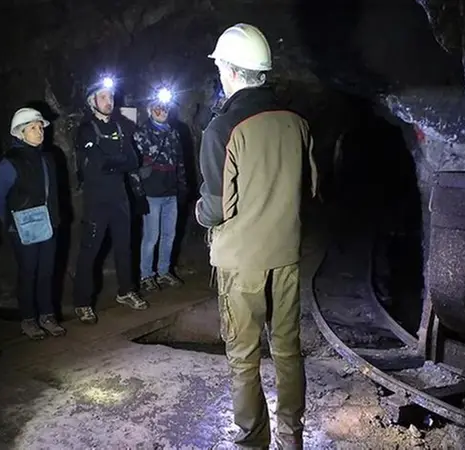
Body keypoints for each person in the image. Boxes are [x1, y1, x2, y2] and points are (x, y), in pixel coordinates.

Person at [195, 24, 318, 449]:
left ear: (229, 70)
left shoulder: (221, 129)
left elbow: (215, 207)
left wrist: (196, 211)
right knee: (287, 350)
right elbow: (311, 190)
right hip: (285, 254)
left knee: (244, 359)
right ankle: (292, 437)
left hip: (241, 262)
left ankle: (252, 442)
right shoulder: (296, 122)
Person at [73, 76, 148, 325]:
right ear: (92, 101)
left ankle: (126, 291)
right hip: (97, 201)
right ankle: (82, 303)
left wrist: (114, 162)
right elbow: (99, 163)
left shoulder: (119, 127)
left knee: (125, 246)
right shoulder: (86, 129)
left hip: (120, 199)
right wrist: (118, 162)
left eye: (110, 97)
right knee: (90, 251)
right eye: (103, 97)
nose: (109, 101)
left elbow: (134, 160)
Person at [0, 107, 65, 340]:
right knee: (28, 273)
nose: (39, 131)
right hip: (22, 226)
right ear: (20, 133)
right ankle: (28, 319)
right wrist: (10, 223)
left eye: (40, 126)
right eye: (32, 128)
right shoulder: (10, 162)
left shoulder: (47, 158)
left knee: (46, 272)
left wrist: (55, 219)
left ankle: (47, 316)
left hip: (48, 224)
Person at [133, 87, 187, 292]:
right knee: (151, 236)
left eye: (164, 107)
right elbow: (136, 164)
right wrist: (139, 193)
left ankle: (163, 272)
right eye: (157, 107)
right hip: (152, 193)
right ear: (149, 110)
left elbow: (180, 161)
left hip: (170, 191)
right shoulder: (142, 133)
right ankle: (146, 274)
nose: (161, 110)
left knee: (169, 235)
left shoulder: (174, 132)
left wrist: (182, 186)